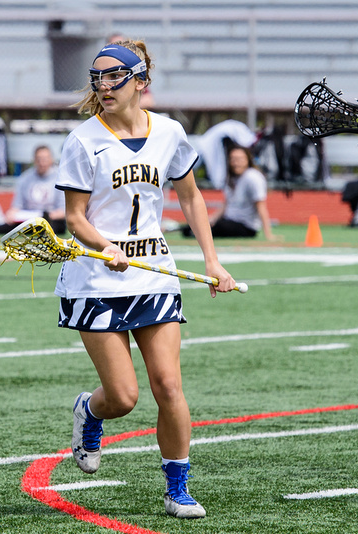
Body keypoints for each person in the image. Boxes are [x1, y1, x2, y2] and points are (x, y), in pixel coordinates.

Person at [56, 38, 237, 519]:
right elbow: (74, 217)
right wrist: (104, 246)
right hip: (96, 280)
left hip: (154, 274)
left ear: (141, 81)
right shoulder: (83, 141)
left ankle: (178, 488)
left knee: (169, 386)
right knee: (124, 397)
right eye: (97, 76)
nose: (103, 84)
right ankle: (91, 412)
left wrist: (213, 261)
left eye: (114, 75)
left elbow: (192, 198)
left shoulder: (170, 133)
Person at [182, 145, 279, 241]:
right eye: (233, 159)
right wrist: (210, 219)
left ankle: (198, 233)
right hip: (228, 221)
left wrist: (268, 234)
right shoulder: (232, 178)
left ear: (248, 160)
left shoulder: (253, 177)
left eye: (239, 159)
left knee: (218, 227)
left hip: (245, 226)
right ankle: (191, 230)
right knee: (197, 225)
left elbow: (261, 207)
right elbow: (226, 204)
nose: (236, 163)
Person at [4, 145, 66, 235]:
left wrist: (44, 217)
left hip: (51, 221)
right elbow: (17, 206)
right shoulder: (24, 178)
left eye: (45, 159)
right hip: (28, 221)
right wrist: (11, 215)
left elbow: (63, 211)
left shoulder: (60, 179)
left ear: (51, 159)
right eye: (39, 159)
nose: (42, 163)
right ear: (34, 160)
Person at [106, 33, 155, 109]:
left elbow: (148, 100)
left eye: (122, 45)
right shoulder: (101, 72)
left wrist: (126, 109)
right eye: (115, 46)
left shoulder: (133, 72)